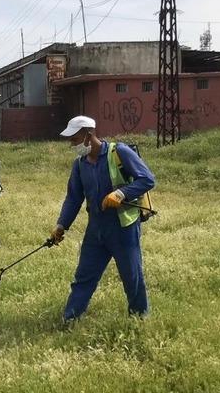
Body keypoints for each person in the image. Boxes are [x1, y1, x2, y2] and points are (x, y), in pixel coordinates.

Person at [51, 115, 156, 321]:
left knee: (131, 276)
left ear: (88, 135)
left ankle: (139, 318)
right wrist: (61, 225)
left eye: (74, 139)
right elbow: (74, 198)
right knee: (84, 276)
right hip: (96, 229)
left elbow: (148, 179)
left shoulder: (119, 152)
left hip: (123, 227)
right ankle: (70, 319)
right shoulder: (80, 164)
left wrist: (121, 193)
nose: (72, 145)